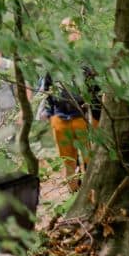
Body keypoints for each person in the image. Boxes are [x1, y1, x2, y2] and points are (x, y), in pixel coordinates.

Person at [37, 19, 101, 191]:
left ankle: (89, 193)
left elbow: (96, 89)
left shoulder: (87, 59)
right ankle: (73, 194)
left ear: (78, 33)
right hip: (60, 116)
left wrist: (96, 117)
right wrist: (50, 114)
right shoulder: (54, 59)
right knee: (68, 161)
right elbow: (47, 88)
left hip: (82, 115)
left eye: (71, 30)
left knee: (88, 159)